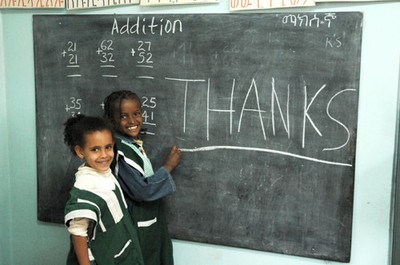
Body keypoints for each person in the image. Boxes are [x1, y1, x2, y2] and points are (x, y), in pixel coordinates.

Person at [103, 90, 182, 265]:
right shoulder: (120, 151)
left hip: (148, 220)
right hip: (135, 222)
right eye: (123, 116)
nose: (132, 121)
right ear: (111, 120)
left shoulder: (132, 145)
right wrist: (168, 166)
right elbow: (143, 190)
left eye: (136, 114)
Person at [63, 114, 145, 265]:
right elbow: (78, 233)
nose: (104, 155)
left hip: (120, 251)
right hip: (102, 257)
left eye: (108, 147)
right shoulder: (86, 187)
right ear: (80, 152)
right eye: (95, 149)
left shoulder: (104, 173)